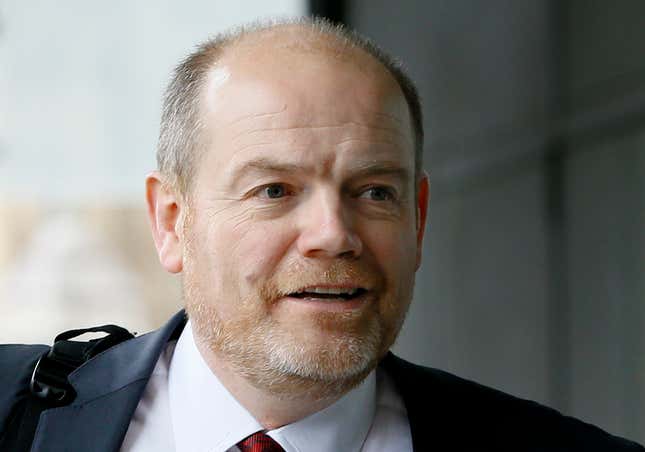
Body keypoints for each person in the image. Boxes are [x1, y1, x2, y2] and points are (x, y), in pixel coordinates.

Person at [1, 18, 643, 452]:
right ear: (172, 221)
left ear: (416, 221)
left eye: (374, 192)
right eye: (274, 190)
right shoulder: (17, 419)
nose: (334, 235)